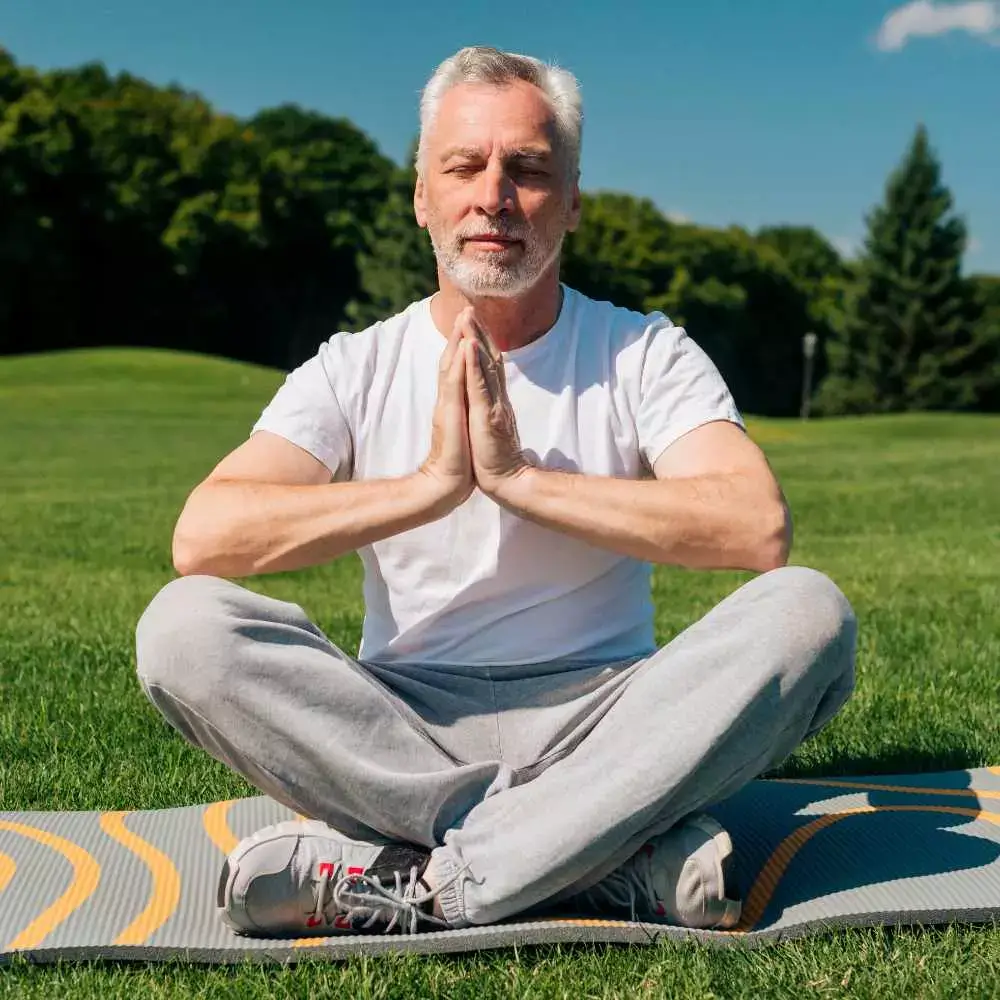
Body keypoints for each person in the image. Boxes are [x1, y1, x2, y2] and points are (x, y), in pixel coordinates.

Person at [135, 45, 856, 938]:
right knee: (183, 629)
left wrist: (519, 480)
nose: (494, 197)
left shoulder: (643, 354)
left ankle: (434, 882)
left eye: (528, 170)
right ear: (421, 196)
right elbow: (206, 538)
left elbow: (755, 527)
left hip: (608, 725)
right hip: (401, 733)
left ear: (574, 200)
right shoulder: (354, 366)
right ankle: (594, 857)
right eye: (464, 166)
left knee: (807, 614)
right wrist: (432, 486)